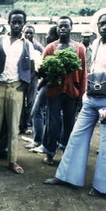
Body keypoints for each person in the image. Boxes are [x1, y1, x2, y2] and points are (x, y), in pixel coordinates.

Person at [44, 7, 106, 199]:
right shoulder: (96, 44)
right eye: (102, 24)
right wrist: (84, 97)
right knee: (76, 138)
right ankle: (67, 176)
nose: (104, 27)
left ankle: (103, 188)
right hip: (91, 99)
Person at [0, 9, 34, 174]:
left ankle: (12, 161)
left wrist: (24, 87)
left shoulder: (27, 44)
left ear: (23, 24)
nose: (16, 25)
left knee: (14, 127)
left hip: (16, 87)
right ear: (9, 22)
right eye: (13, 22)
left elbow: (31, 69)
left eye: (20, 22)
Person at [37, 16, 87, 165]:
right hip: (54, 91)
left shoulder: (79, 48)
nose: (63, 29)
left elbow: (83, 72)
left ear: (71, 28)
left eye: (66, 26)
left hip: (72, 92)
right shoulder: (51, 48)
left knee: (69, 124)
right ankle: (50, 153)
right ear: (57, 29)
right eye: (60, 26)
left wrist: (82, 95)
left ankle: (66, 153)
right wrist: (44, 72)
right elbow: (43, 70)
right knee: (53, 123)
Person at [21, 25, 44, 134]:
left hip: (33, 77)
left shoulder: (38, 46)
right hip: (21, 77)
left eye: (31, 33)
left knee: (31, 102)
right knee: (20, 102)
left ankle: (28, 125)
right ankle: (20, 125)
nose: (28, 35)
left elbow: (42, 62)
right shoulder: (20, 44)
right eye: (26, 33)